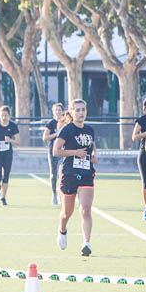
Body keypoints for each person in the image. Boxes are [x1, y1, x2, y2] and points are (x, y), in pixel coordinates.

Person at [54, 99, 97, 256]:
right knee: (67, 212)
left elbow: (91, 146)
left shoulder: (90, 129)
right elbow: (56, 151)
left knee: (85, 210)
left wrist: (94, 155)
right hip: (69, 173)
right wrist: (75, 153)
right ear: (71, 112)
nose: (81, 113)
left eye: (83, 110)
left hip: (86, 173)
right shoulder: (67, 130)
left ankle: (86, 243)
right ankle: (62, 230)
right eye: (77, 110)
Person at [42, 102, 67, 206]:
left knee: (63, 173)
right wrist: (56, 134)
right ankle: (54, 194)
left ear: (63, 111)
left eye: (59, 110)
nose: (58, 111)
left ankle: (62, 195)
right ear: (53, 112)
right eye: (55, 110)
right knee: (53, 175)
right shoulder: (51, 123)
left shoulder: (67, 122)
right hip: (53, 150)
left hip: (64, 150)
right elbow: (45, 138)